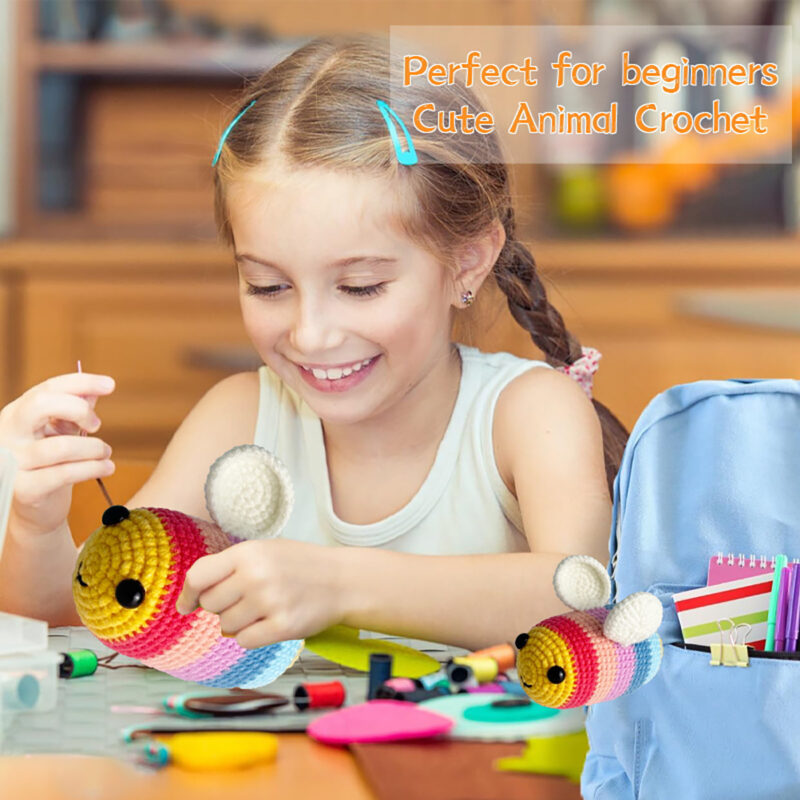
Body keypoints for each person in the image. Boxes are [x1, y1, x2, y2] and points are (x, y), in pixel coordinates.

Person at [0, 35, 626, 651]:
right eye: (268, 286)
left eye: (359, 287)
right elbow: (75, 614)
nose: (310, 334)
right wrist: (36, 521)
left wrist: (338, 583)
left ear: (466, 262)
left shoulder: (529, 414)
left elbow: (582, 603)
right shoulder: (240, 416)